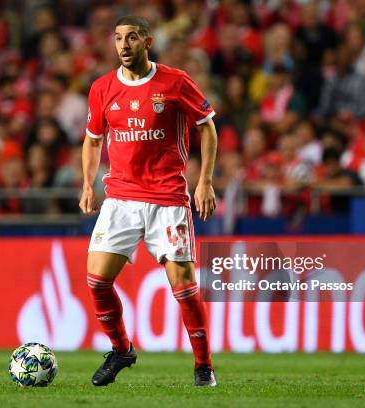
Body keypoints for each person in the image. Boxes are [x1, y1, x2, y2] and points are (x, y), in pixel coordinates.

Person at [80, 15, 218, 387]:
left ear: (148, 42)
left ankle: (203, 365)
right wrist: (88, 185)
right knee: (96, 281)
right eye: (118, 38)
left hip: (168, 199)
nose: (123, 45)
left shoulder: (175, 82)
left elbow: (207, 126)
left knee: (183, 288)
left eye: (132, 38)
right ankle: (121, 348)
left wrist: (204, 181)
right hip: (121, 199)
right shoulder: (103, 88)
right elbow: (93, 138)